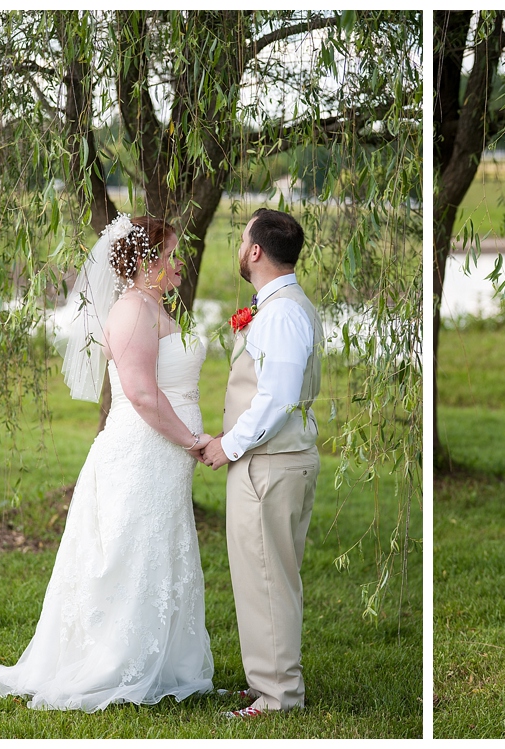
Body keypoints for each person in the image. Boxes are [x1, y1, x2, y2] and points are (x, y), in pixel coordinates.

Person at [0, 215, 214, 711]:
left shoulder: (155, 307)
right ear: (146, 261)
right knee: (128, 553)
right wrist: (193, 440)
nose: (178, 264)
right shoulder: (132, 312)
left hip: (161, 457)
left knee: (159, 549)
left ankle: (165, 661)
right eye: (170, 255)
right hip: (141, 451)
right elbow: (144, 396)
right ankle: (117, 661)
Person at [198, 208, 323, 719]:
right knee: (266, 576)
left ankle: (278, 696)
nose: (239, 247)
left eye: (242, 239)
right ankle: (267, 683)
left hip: (268, 464)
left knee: (268, 579)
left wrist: (227, 445)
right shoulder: (278, 306)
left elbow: (277, 398)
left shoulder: (284, 313)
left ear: (255, 251)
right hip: (272, 461)